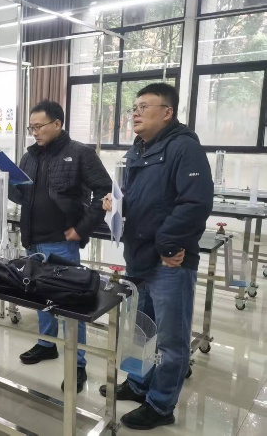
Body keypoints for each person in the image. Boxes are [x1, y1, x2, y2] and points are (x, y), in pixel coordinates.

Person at [100, 83, 213, 430]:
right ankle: (139, 384)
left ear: (167, 112)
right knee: (142, 331)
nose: (135, 113)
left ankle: (161, 404)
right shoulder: (138, 149)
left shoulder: (184, 148)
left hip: (168, 263)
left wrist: (168, 246)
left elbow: (195, 203)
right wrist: (114, 203)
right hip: (139, 257)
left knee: (170, 340)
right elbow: (135, 197)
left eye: (143, 107)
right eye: (133, 107)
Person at [9, 100, 111, 393]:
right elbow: (22, 197)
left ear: (57, 124)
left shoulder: (80, 153)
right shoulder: (29, 156)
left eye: (39, 126)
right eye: (31, 127)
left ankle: (78, 363)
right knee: (38, 293)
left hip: (62, 241)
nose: (34, 132)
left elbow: (104, 191)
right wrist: (7, 183)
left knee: (69, 302)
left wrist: (82, 228)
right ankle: (46, 344)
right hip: (33, 238)